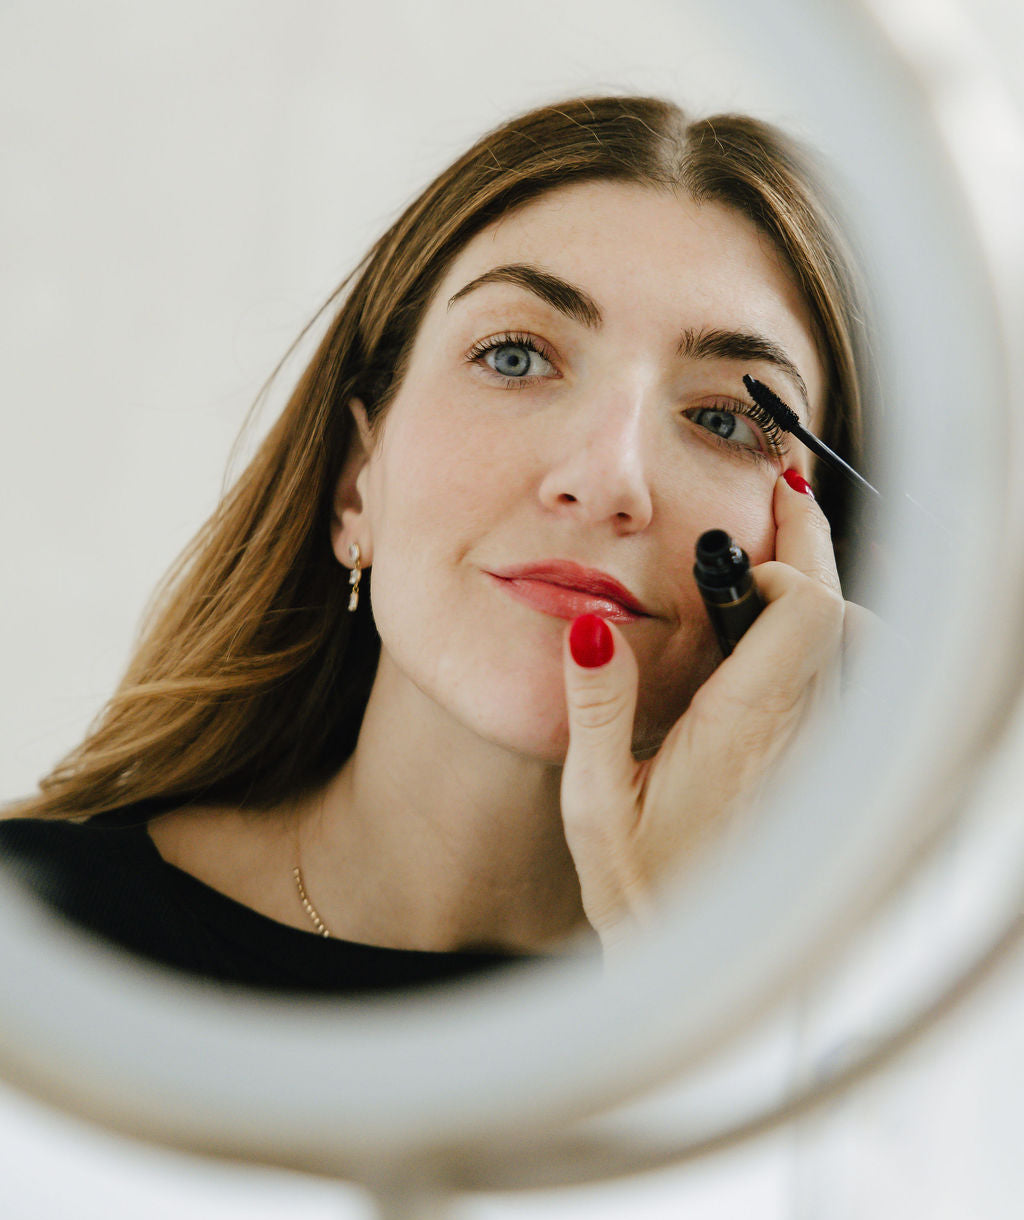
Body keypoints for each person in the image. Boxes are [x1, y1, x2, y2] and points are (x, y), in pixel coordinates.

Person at [0, 95, 869, 994]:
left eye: (726, 417)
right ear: (353, 484)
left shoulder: (863, 1040)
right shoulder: (28, 944)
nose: (607, 476)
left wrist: (687, 960)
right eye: (515, 358)